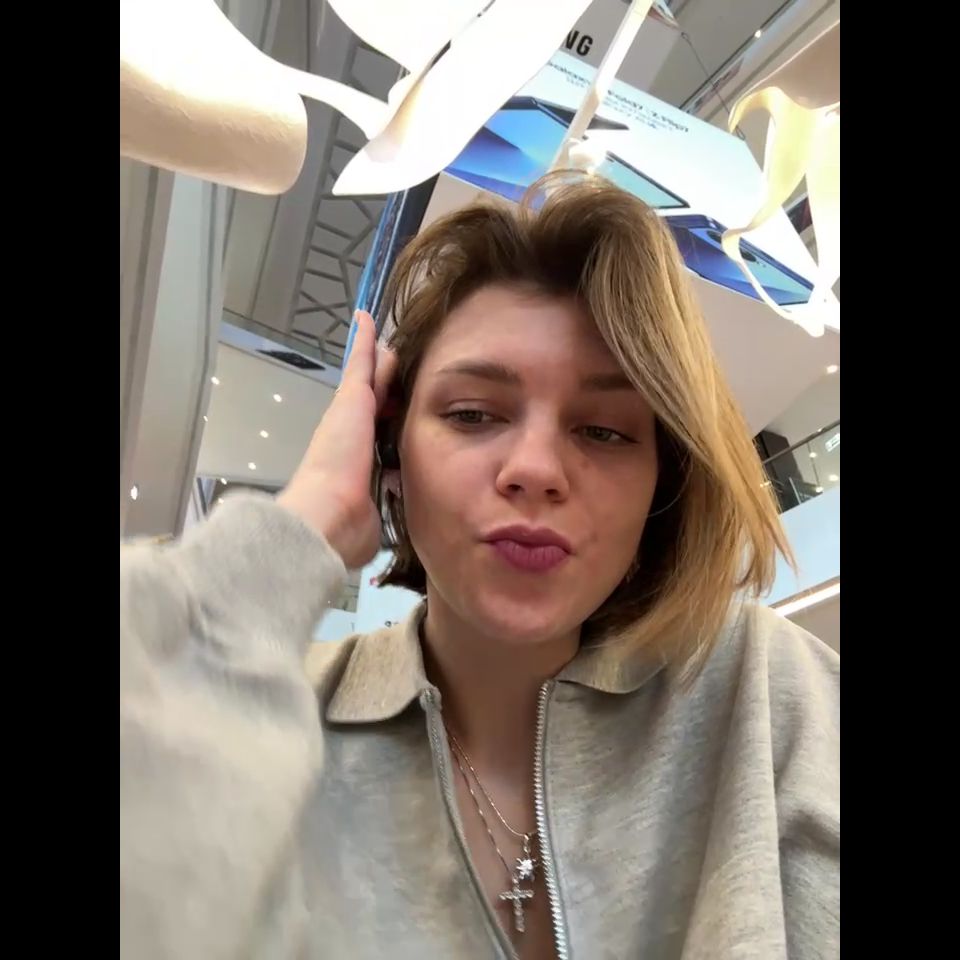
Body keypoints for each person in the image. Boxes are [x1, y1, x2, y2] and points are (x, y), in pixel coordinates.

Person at [120, 176, 839, 960]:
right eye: (472, 414)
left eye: (604, 431)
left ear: (660, 485)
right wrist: (311, 518)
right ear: (390, 453)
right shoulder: (269, 711)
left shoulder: (762, 690)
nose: (536, 469)